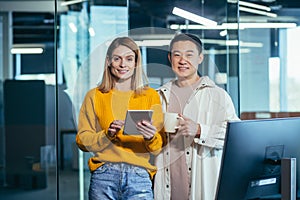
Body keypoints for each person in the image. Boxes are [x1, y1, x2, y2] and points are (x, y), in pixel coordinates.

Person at [76, 36, 164, 200]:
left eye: (129, 59)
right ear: (109, 61)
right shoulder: (94, 96)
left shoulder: (151, 96)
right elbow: (82, 141)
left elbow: (158, 147)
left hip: (139, 176)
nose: (123, 64)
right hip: (104, 175)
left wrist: (150, 136)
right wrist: (106, 135)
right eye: (117, 59)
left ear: (136, 63)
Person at [154, 33, 240, 200]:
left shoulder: (217, 96)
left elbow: (234, 136)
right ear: (170, 58)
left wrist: (200, 130)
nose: (182, 60)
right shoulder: (159, 95)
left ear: (200, 58)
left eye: (189, 55)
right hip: (166, 186)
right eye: (177, 55)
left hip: (202, 185)